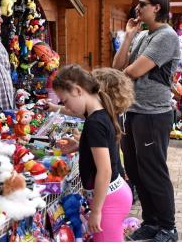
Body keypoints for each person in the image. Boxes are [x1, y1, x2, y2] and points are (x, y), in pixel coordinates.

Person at [112, 0, 179, 242]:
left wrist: (117, 76)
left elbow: (133, 71)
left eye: (142, 4)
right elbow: (118, 66)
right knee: (136, 170)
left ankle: (168, 227)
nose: (137, 8)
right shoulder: (142, 35)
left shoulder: (166, 36)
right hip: (133, 111)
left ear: (157, 7)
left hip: (154, 114)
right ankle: (151, 222)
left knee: (153, 170)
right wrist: (129, 36)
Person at [51, 64, 133, 242]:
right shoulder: (98, 114)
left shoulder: (94, 122)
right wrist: (81, 145)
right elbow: (105, 148)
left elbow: (104, 170)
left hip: (108, 201)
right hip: (113, 196)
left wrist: (96, 211)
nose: (68, 107)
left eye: (65, 101)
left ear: (77, 90)